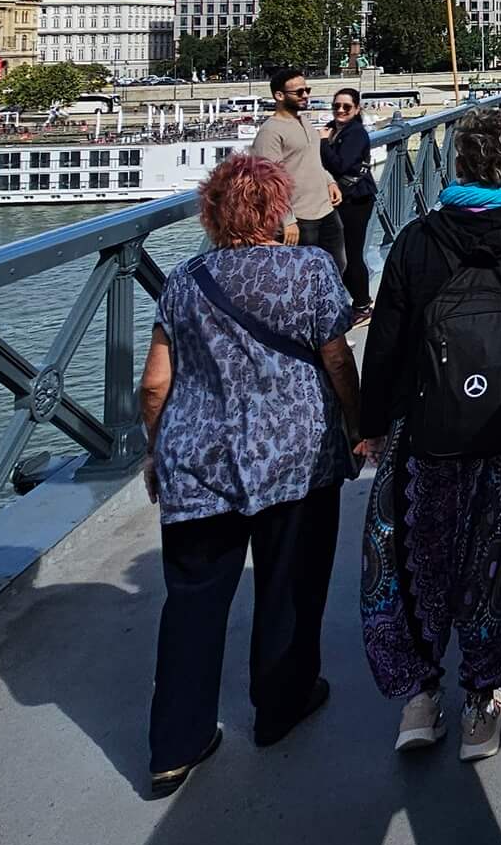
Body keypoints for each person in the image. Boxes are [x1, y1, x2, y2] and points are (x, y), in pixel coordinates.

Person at [356, 104, 501, 761]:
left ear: (458, 162)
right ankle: (483, 702)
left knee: (416, 560)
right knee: (500, 560)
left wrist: (373, 428)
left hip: (427, 434)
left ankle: (420, 701)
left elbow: (389, 346)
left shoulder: (418, 241)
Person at [140, 153, 358, 795]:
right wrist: (355, 423)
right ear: (278, 210)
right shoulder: (310, 270)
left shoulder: (182, 280)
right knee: (290, 587)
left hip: (198, 465)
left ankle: (175, 746)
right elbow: (337, 359)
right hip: (295, 459)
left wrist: (159, 452)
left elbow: (155, 386)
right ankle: (279, 706)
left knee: (192, 603)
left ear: (210, 215)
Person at [252, 66, 346, 278]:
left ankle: (331, 309)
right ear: (279, 95)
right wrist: (287, 220)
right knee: (305, 277)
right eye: (299, 92)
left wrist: (329, 181)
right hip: (300, 218)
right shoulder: (270, 132)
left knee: (337, 268)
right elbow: (268, 182)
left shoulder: (304, 121)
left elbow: (311, 159)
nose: (306, 96)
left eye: (307, 90)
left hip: (326, 211)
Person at [322, 86, 376, 317]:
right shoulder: (333, 129)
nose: (340, 110)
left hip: (356, 198)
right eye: (336, 106)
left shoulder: (356, 133)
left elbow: (340, 165)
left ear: (356, 109)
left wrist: (323, 143)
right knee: (337, 252)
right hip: (339, 198)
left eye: (346, 107)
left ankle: (362, 304)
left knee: (350, 253)